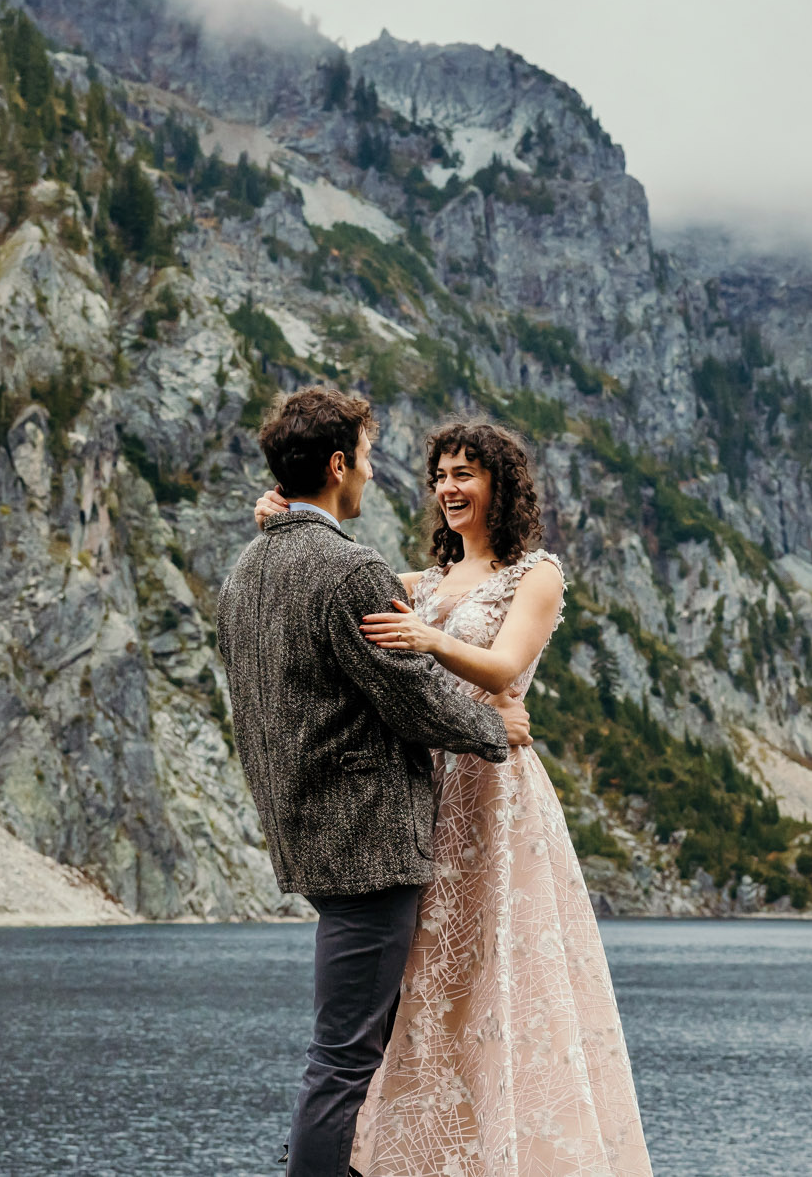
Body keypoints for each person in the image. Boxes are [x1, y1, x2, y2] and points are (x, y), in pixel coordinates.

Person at [254, 420, 654, 1176]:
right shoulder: (426, 582)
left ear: (501, 483)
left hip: (494, 789)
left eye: (465, 473)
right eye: (440, 475)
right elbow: (336, 567)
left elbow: (504, 667)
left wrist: (430, 640)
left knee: (494, 969)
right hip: (424, 790)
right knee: (420, 978)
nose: (448, 488)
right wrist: (283, 513)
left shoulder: (536, 574)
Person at [214, 388, 526, 1177]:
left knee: (360, 1049)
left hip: (306, 833)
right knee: (345, 1059)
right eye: (366, 456)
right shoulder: (348, 569)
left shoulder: (247, 568)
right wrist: (497, 728)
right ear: (336, 465)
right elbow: (412, 698)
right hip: (369, 842)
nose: (372, 472)